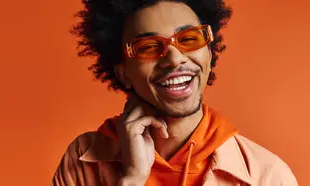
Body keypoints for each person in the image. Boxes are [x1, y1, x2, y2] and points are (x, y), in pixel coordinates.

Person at [51, 0, 298, 185]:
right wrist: (133, 178)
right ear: (123, 72)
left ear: (209, 55)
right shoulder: (82, 161)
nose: (174, 58)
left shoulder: (268, 175)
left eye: (189, 39)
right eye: (148, 47)